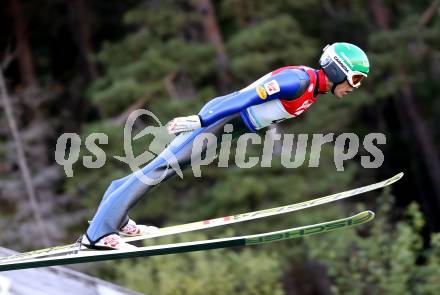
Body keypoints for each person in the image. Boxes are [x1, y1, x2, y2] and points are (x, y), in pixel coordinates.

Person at [81, 42, 370, 250]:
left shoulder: (311, 90)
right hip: (221, 119)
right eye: (354, 79)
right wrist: (201, 119)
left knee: (164, 169)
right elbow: (242, 99)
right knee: (159, 168)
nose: (354, 87)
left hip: (228, 128)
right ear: (336, 70)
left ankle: (113, 219)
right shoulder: (297, 81)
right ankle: (97, 235)